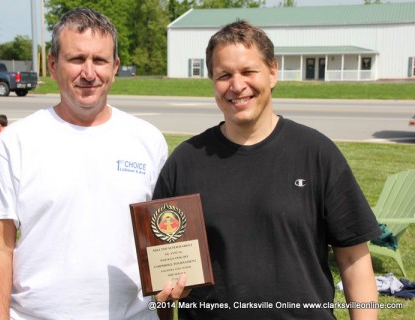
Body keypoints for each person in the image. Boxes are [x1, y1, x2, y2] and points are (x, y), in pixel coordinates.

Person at [153, 20, 381, 319]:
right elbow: (163, 274)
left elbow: (353, 259)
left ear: (273, 72)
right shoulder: (186, 161)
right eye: (224, 75)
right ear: (212, 81)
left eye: (248, 71)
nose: (237, 85)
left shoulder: (316, 153)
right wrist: (165, 296)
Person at [0, 8, 182, 319]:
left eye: (99, 60)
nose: (89, 73)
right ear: (52, 64)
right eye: (76, 59)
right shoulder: (15, 142)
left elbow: (162, 245)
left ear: (114, 67)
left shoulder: (148, 140)